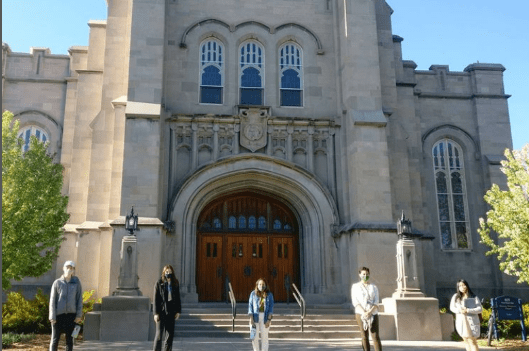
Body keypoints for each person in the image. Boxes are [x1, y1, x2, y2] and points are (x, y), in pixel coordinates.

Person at [49, 260, 83, 351]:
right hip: (58, 316)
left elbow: (79, 299)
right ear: (63, 268)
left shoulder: (76, 283)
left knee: (70, 340)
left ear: (73, 270)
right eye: (67, 267)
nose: (69, 269)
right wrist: (52, 316)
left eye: (71, 268)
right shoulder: (57, 283)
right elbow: (52, 300)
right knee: (55, 339)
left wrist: (79, 315)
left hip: (71, 316)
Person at [351, 266, 382, 351]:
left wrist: (370, 312)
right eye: (363, 274)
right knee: (364, 336)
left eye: (367, 274)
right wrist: (364, 312)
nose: (365, 276)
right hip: (361, 314)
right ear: (360, 274)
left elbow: (376, 302)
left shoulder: (374, 287)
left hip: (373, 313)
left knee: (375, 336)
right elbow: (355, 301)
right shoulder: (355, 286)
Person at [153, 265, 181, 351]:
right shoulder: (159, 283)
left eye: (170, 272)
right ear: (163, 273)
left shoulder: (175, 283)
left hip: (171, 311)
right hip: (161, 312)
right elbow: (155, 298)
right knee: (159, 335)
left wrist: (178, 311)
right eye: (166, 272)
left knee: (169, 335)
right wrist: (155, 313)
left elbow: (177, 298)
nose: (168, 274)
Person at [450, 279, 482, 351]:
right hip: (461, 322)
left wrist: (468, 310)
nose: (462, 287)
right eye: (460, 286)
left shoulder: (473, 297)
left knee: (472, 341)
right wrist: (459, 310)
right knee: (466, 341)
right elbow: (452, 307)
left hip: (471, 321)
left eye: (463, 285)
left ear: (467, 285)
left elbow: (480, 309)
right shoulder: (456, 297)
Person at [248, 278, 274, 351]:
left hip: (265, 317)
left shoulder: (269, 295)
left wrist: (269, 319)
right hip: (255, 317)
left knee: (264, 337)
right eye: (260, 284)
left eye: (263, 284)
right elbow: (250, 306)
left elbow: (271, 308)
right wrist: (251, 319)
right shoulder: (253, 294)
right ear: (257, 285)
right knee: (254, 337)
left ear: (266, 285)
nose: (261, 286)